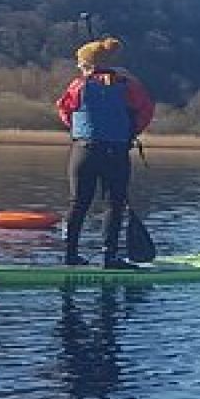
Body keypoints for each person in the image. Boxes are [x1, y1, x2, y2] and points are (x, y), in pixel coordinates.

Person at [55, 36, 155, 268]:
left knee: (78, 203)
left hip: (83, 151)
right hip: (115, 152)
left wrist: (81, 130)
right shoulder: (129, 85)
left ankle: (70, 255)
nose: (78, 66)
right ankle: (109, 257)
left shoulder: (77, 85)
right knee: (114, 203)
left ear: (88, 63)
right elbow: (145, 111)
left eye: (80, 62)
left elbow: (64, 110)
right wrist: (129, 132)